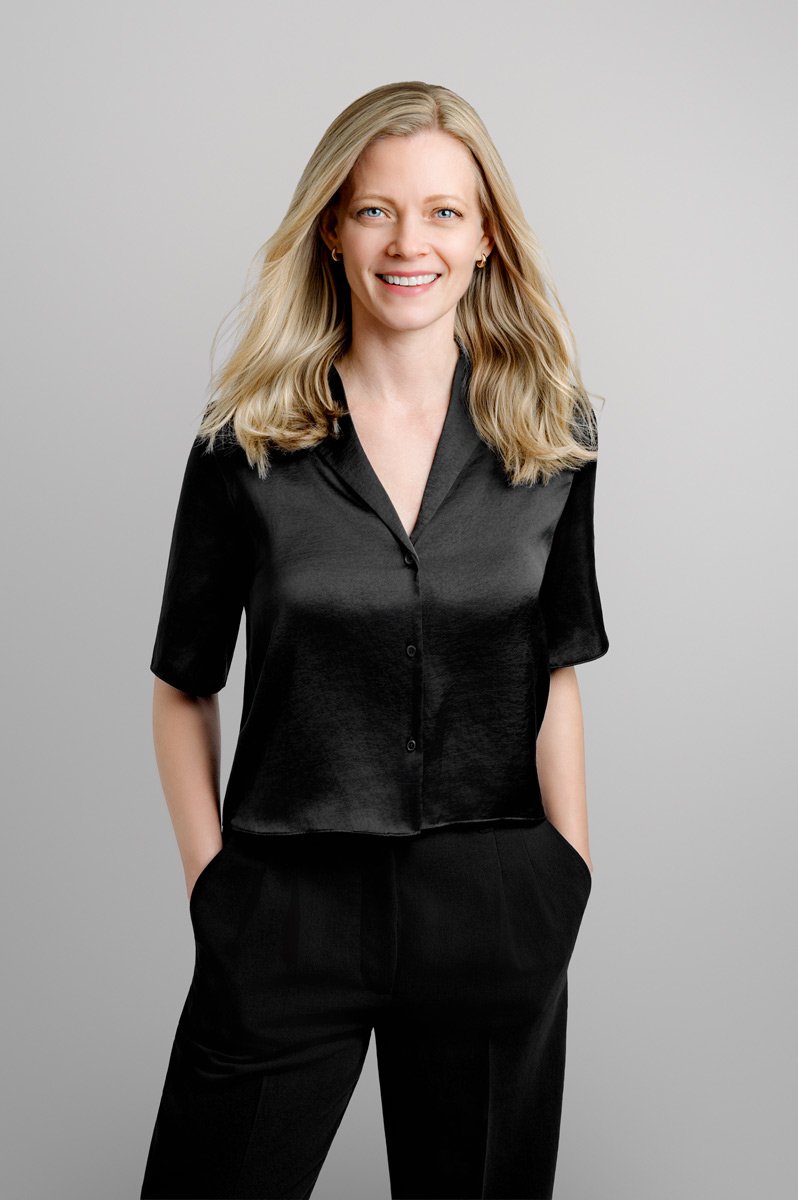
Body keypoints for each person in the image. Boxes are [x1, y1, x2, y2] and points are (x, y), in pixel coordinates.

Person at [139, 80, 609, 1200]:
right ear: (332, 233)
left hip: (493, 897)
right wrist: (216, 891)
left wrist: (567, 875)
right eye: (375, 211)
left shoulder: (552, 436)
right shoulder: (244, 443)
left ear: (486, 238)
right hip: (287, 902)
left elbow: (556, 669)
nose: (410, 244)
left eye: (444, 212)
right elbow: (183, 685)